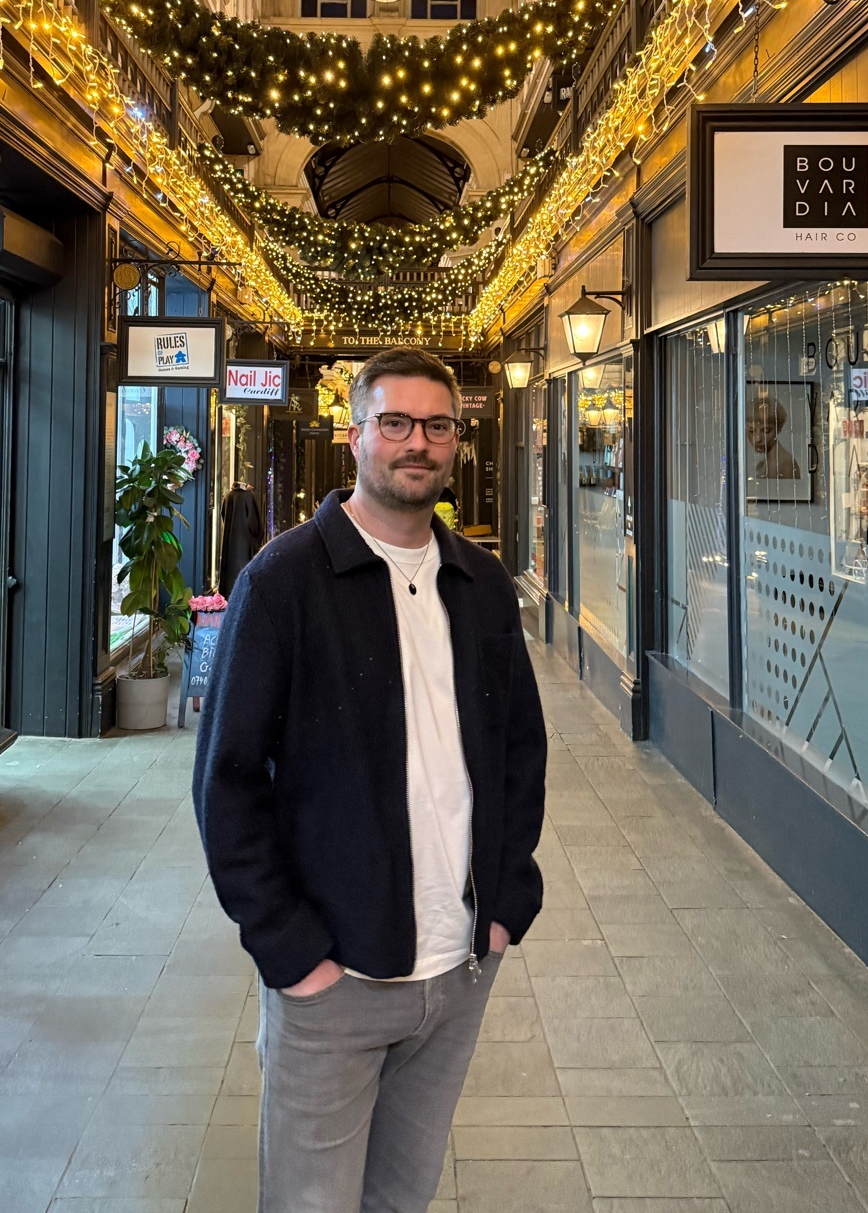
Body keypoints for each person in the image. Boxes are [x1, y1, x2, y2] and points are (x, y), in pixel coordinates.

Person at [194, 346, 546, 1213]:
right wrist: (291, 951)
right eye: (395, 423)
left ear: (456, 441)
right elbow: (226, 784)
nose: (415, 443)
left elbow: (520, 752)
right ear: (357, 434)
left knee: (400, 1199)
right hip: (336, 979)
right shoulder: (283, 582)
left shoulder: (482, 583)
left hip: (457, 969)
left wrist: (503, 904)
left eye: (436, 425)